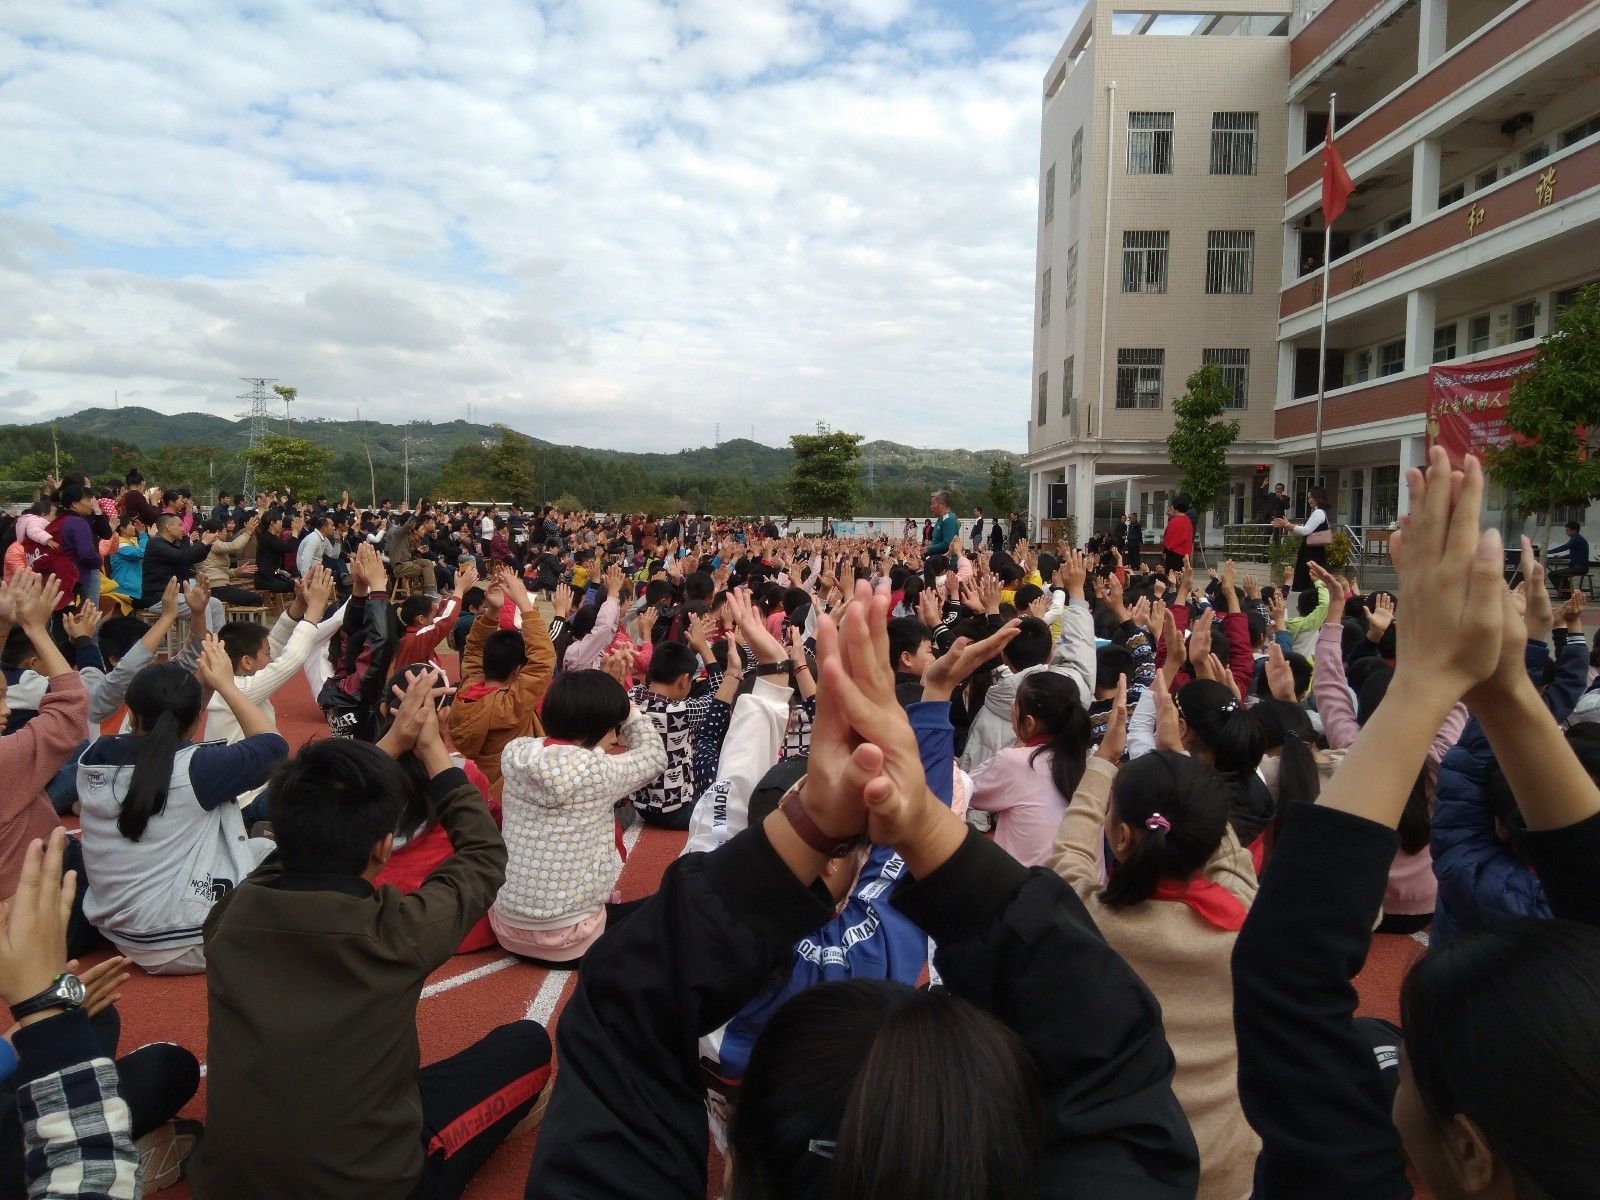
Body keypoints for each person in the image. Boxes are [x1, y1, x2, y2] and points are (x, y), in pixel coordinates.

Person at [525, 579, 1198, 1198]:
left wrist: (812, 819)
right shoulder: (869, 950)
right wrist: (911, 792)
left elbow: (623, 1006)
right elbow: (1113, 1062)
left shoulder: (737, 972)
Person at [1234, 447, 1600, 1200]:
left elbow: (1284, 978)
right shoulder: (1452, 793)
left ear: (1468, 1151)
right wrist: (1501, 683)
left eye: (1412, 1068)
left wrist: (1459, 678)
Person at [191, 678, 552, 1200]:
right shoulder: (396, 930)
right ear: (383, 847)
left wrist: (389, 745)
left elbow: (301, 836)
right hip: (378, 1185)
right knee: (526, 1045)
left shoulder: (229, 918)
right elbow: (483, 855)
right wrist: (431, 749)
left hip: (228, 1183)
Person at [1048, 682, 1259, 1200]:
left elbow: (1068, 856)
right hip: (1223, 1166)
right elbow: (1229, 854)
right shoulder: (1244, 916)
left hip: (1124, 1169)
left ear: (1120, 837)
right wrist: (1179, 760)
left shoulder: (1086, 921)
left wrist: (1104, 761)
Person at [77, 640, 287, 975]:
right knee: (284, 856)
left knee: (260, 846)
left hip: (121, 934)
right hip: (192, 939)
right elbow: (274, 746)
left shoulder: (94, 759)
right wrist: (226, 686)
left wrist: (199, 690)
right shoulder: (198, 769)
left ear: (130, 714)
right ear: (196, 717)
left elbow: (161, 734)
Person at [492, 664, 667, 965]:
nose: (615, 737)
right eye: (614, 727)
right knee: (669, 904)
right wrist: (630, 713)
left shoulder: (516, 756)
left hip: (507, 929)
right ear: (597, 726)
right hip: (571, 939)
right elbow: (654, 756)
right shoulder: (597, 772)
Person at [445, 568, 556, 790]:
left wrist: (493, 611)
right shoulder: (509, 704)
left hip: (483, 784)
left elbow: (474, 649)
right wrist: (523, 603)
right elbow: (542, 661)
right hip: (512, 791)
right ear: (517, 671)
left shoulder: (467, 689)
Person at [968, 669, 1089, 867]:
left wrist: (1018, 746)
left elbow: (963, 788)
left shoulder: (1017, 762)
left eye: (1015, 704)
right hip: (1081, 882)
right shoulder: (1085, 762)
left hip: (1029, 883)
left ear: (1029, 723)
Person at [140, 513, 226, 632]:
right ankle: (204, 642)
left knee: (216, 604)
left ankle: (218, 640)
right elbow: (183, 557)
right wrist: (203, 543)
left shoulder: (174, 544)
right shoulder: (155, 543)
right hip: (159, 598)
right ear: (169, 527)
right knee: (201, 606)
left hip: (177, 596)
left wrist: (208, 544)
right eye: (180, 525)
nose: (183, 529)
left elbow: (194, 558)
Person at [394, 562, 477, 671]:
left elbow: (443, 611)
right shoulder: (415, 640)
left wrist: (460, 590)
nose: (437, 616)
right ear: (421, 619)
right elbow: (446, 620)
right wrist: (459, 590)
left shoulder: (412, 636)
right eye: (435, 615)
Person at [1273, 485, 1329, 591]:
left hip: (1312, 552)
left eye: (1310, 498)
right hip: (1313, 551)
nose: (1308, 500)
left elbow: (1305, 530)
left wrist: (1287, 525)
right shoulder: (1318, 512)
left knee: (1310, 582)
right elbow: (1304, 528)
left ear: (1317, 497)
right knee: (1311, 582)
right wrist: (1288, 525)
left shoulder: (1318, 512)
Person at [1547, 519, 1589, 590]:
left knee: (1552, 574)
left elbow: (1564, 547)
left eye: (1568, 530)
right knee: (1556, 574)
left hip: (1579, 568)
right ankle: (1567, 592)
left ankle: (1567, 593)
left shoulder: (1576, 539)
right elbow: (1572, 555)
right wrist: (1561, 557)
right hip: (1579, 567)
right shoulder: (1576, 538)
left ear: (1574, 530)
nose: (1566, 532)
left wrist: (1547, 552)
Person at [1162, 494, 1193, 574]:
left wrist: (1164, 551)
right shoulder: (1188, 520)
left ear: (1176, 507)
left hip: (1174, 556)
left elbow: (1168, 539)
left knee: (1172, 578)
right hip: (1185, 556)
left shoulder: (1175, 521)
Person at [927, 490, 958, 556]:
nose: (931, 507)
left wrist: (928, 549)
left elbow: (947, 544)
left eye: (933, 503)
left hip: (946, 561)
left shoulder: (949, 519)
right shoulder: (941, 519)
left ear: (942, 504)